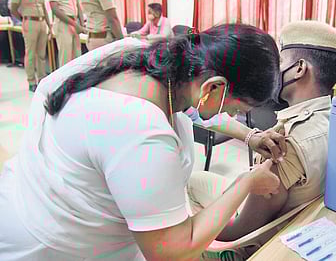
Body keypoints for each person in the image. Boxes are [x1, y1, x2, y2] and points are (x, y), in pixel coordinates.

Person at [0, 24, 288, 261]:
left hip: (45, 198)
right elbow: (171, 251)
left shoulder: (155, 64)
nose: (234, 116)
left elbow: (197, 110)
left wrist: (250, 136)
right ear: (214, 87)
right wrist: (246, 183)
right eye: (236, 108)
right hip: (57, 246)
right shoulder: (140, 132)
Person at [187, 21, 336, 250]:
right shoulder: (335, 118)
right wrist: (250, 137)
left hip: (254, 242)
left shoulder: (285, 142)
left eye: (280, 61)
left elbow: (236, 232)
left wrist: (190, 222)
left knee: (190, 185)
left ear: (299, 69)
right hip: (295, 224)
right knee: (197, 180)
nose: (273, 70)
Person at [10, 0, 52, 92]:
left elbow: (44, 7)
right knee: (30, 54)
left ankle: (41, 78)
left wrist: (49, 25)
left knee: (41, 54)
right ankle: (31, 81)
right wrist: (23, 18)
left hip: (41, 23)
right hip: (30, 23)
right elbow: (13, 8)